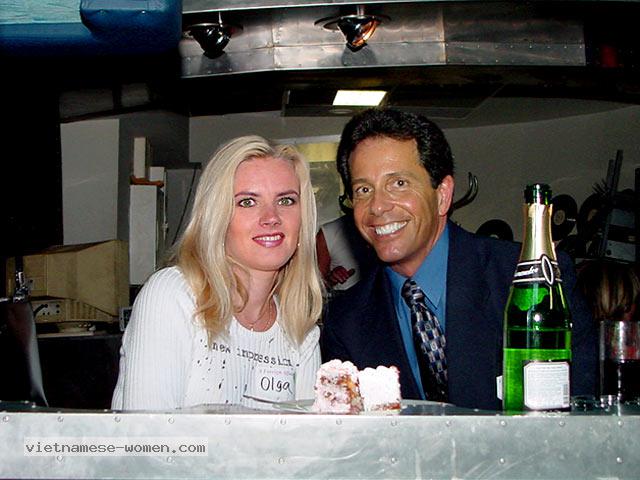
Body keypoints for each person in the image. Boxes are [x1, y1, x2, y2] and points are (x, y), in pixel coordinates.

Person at [320, 108, 597, 410]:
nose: (377, 206)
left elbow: (580, 414)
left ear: (442, 195)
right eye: (363, 189)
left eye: (399, 183)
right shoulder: (347, 321)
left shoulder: (526, 283)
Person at [112, 136, 324, 410]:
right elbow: (149, 433)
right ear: (217, 216)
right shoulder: (174, 296)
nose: (271, 217)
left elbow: (307, 436)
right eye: (247, 202)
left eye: (285, 200)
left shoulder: (300, 330)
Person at [316, 194, 374, 292]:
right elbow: (318, 285)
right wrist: (332, 278)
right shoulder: (329, 232)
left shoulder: (386, 227)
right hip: (347, 298)